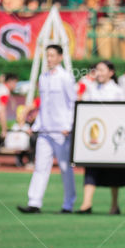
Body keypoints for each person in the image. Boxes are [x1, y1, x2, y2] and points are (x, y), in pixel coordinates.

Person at [19, 45, 77, 214]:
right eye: (47, 56)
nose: (49, 59)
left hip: (61, 131)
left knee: (65, 168)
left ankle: (68, 204)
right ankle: (34, 202)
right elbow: (44, 104)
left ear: (60, 57)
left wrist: (69, 126)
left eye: (52, 55)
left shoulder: (66, 77)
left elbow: (72, 103)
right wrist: (36, 125)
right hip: (45, 130)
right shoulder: (43, 77)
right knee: (40, 167)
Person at [75, 61, 125, 215]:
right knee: (90, 169)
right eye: (96, 70)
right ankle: (86, 203)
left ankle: (114, 205)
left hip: (112, 137)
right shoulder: (92, 89)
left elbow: (122, 113)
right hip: (96, 136)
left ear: (111, 72)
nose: (98, 73)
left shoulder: (117, 91)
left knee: (114, 172)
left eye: (102, 70)